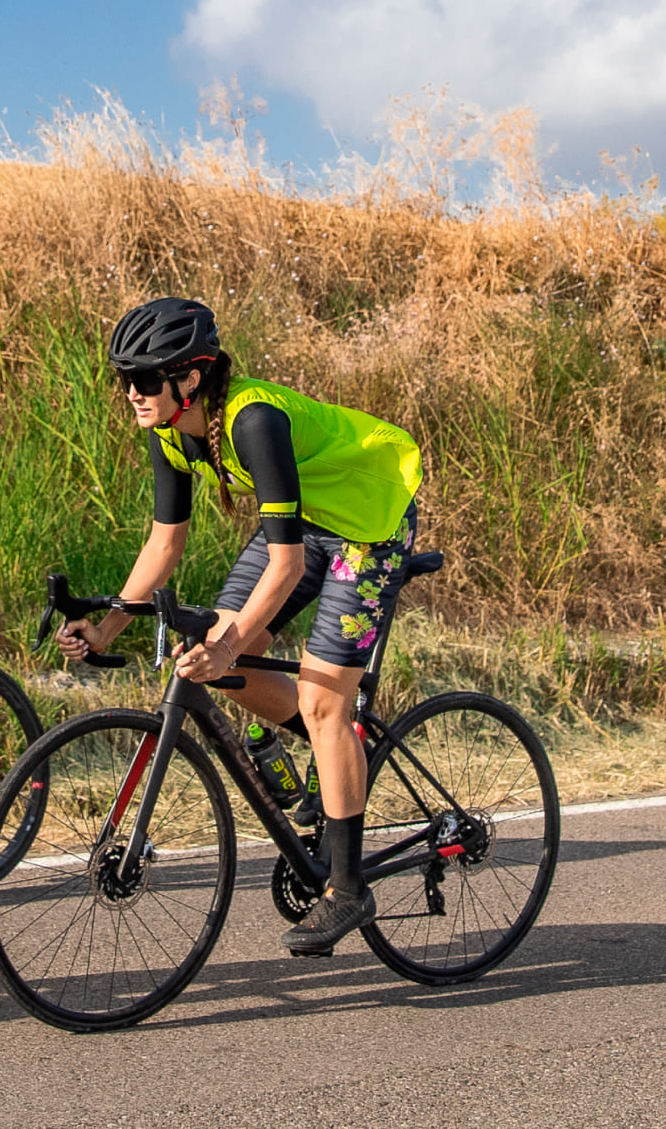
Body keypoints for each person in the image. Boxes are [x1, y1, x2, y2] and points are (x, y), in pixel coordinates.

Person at [58, 297, 422, 955]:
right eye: (124, 381)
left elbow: (283, 566)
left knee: (319, 699)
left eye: (142, 379)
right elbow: (164, 542)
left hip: (368, 523)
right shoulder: (170, 429)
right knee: (219, 662)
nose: (131, 394)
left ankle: (346, 889)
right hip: (308, 521)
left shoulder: (252, 420)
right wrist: (109, 627)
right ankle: (338, 753)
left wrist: (229, 643)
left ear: (190, 378)